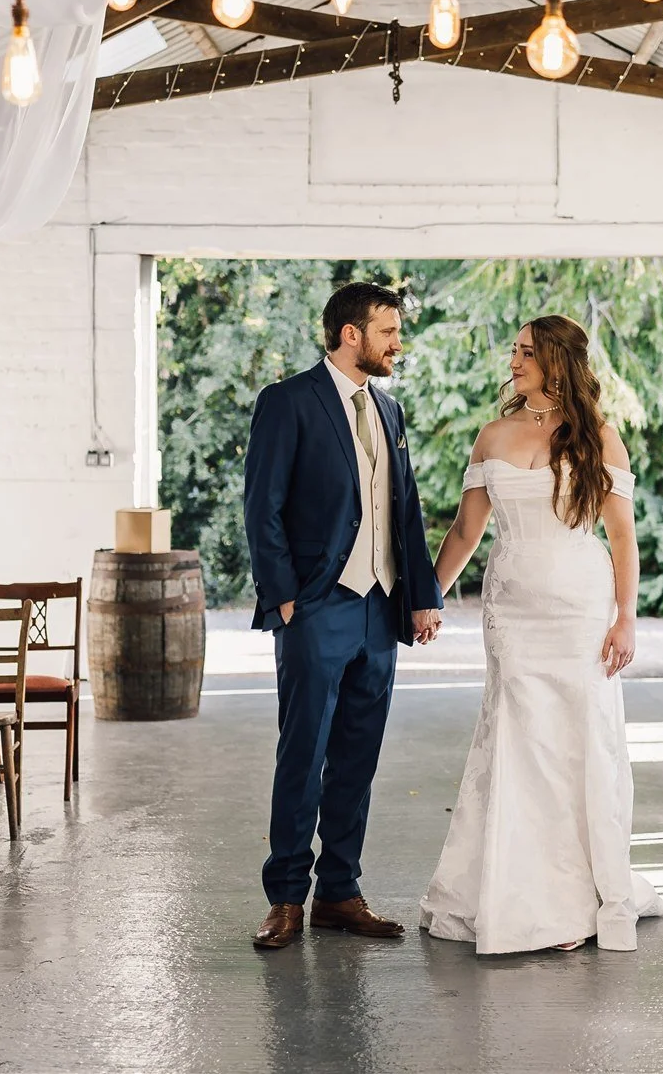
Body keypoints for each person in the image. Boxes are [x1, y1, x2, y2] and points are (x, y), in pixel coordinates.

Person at [417, 315, 663, 953]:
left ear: (559, 361)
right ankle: (515, 895)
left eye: (529, 351)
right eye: (517, 349)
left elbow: (622, 539)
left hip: (580, 612)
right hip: (513, 612)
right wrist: (427, 598)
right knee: (519, 745)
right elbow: (466, 533)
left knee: (576, 747)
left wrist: (625, 616)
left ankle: (574, 897)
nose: (516, 358)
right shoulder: (493, 435)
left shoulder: (599, 439)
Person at [242, 282, 445, 950]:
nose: (397, 342)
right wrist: (286, 596)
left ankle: (339, 892)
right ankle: (285, 898)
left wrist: (420, 595)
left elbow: (404, 509)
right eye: (387, 330)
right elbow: (261, 507)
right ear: (352, 334)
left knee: (357, 757)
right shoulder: (287, 403)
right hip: (318, 605)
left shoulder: (389, 410)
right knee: (303, 753)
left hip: (378, 611)